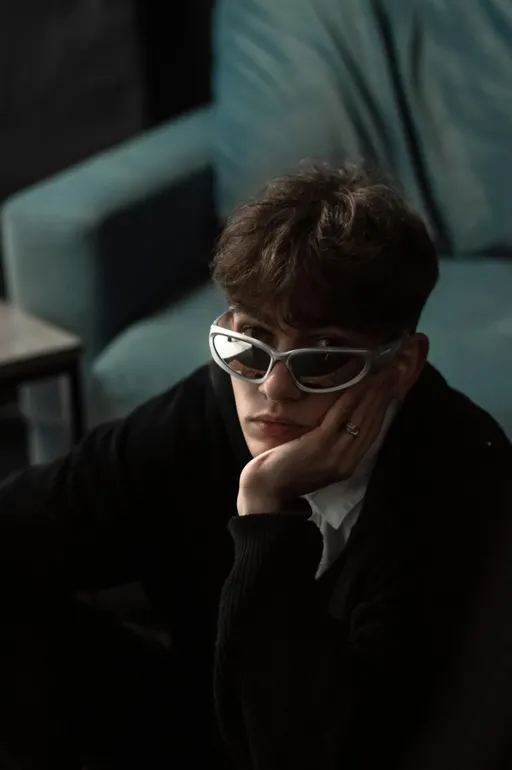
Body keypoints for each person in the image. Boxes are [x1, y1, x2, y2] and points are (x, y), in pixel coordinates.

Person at [0, 162, 510, 770]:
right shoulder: (215, 400)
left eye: (322, 357)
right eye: (250, 342)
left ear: (400, 367)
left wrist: (265, 511)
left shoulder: (461, 478)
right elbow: (31, 517)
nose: (273, 388)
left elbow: (320, 751)